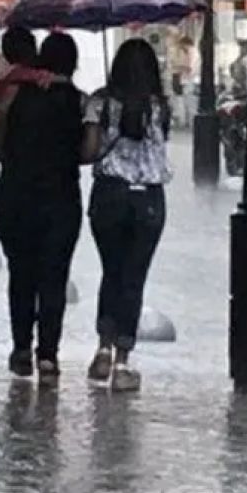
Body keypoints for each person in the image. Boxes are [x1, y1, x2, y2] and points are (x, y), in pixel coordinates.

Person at [0, 33, 85, 384]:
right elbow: (87, 152)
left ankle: (21, 349)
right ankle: (49, 357)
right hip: (61, 199)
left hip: (19, 196)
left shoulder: (16, 93)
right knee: (54, 278)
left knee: (21, 276)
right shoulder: (77, 101)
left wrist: (17, 162)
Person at [81, 39, 173, 391]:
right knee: (134, 278)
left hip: (110, 195)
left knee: (112, 271)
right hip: (149, 199)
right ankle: (122, 362)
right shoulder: (160, 107)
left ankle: (103, 347)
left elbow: (89, 152)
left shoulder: (99, 102)